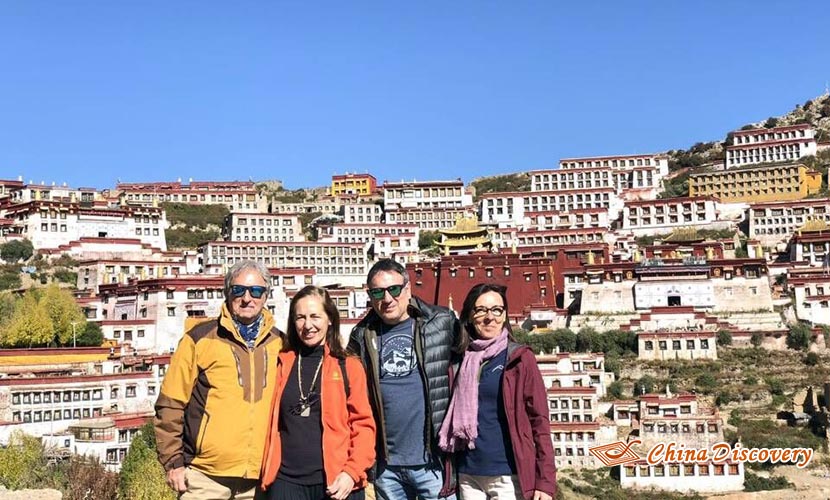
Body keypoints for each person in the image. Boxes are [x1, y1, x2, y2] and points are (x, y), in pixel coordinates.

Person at [154, 260, 283, 499]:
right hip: (204, 477)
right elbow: (170, 404)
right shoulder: (199, 339)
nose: (247, 298)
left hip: (261, 479)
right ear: (227, 292)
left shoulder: (280, 344)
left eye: (256, 291)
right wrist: (173, 462)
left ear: (266, 296)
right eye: (238, 290)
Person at [348, 258, 459, 500]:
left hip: (434, 462)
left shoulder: (440, 322)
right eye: (378, 292)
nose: (387, 299)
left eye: (394, 289)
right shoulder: (361, 335)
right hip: (387, 467)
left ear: (407, 289)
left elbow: (472, 358)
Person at [439, 284, 556, 500]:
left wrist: (545, 482)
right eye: (481, 310)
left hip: (507, 474)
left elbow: (539, 421)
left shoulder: (519, 359)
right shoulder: (460, 359)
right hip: (467, 473)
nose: (489, 317)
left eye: (496, 310)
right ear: (470, 316)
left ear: (504, 315)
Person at [261, 285, 376, 500]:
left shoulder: (348, 366)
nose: (308, 325)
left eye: (315, 316)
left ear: (330, 318)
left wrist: (352, 472)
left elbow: (363, 426)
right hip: (287, 482)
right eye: (300, 317)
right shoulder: (282, 363)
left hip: (337, 482)